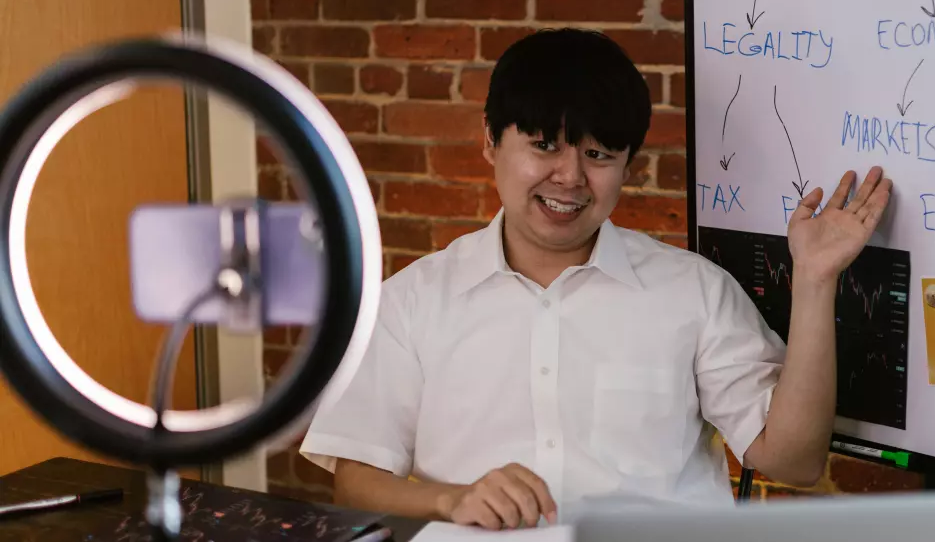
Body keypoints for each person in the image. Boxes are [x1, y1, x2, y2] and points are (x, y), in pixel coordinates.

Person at [299, 28, 892, 530]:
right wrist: (451, 500)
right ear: (489, 141)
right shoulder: (412, 300)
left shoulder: (693, 291)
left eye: (599, 155)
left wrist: (815, 279)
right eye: (543, 146)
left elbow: (793, 460)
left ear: (628, 165)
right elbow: (356, 483)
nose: (569, 178)